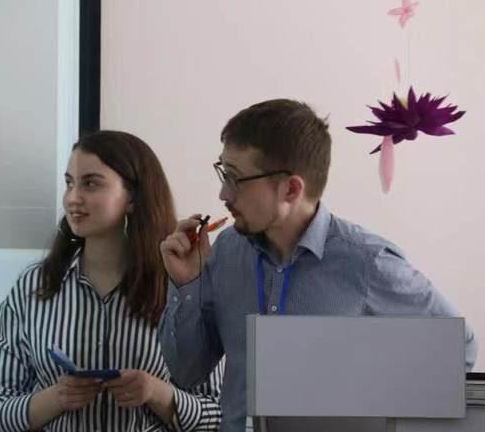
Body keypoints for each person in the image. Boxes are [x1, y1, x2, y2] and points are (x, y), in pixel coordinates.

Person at [158, 99, 478, 431]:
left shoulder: (369, 263)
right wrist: (187, 285)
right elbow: (187, 373)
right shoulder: (225, 250)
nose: (224, 193)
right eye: (224, 173)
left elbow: (459, 351)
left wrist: (362, 398)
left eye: (236, 179)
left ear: (291, 189)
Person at [0, 130, 223, 432]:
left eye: (91, 184)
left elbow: (220, 415)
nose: (73, 198)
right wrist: (55, 398)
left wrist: (157, 393)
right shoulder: (33, 287)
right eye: (70, 183)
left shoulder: (181, 287)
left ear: (132, 197)